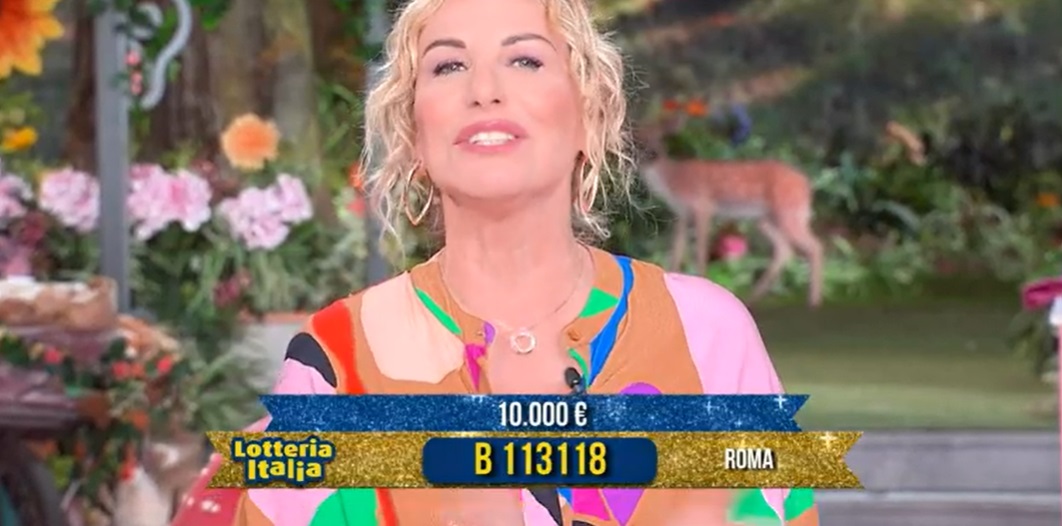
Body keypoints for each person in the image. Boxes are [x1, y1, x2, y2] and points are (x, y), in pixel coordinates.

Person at [171, 0, 820, 524]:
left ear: (589, 116)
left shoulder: (706, 335)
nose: (484, 90)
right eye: (448, 66)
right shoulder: (336, 361)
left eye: (525, 60)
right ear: (413, 133)